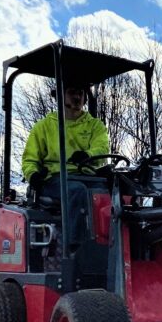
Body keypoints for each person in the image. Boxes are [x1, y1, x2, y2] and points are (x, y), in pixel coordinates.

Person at [21, 86, 110, 243]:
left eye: (80, 92)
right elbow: (30, 159)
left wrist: (88, 155)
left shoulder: (95, 125)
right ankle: (75, 249)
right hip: (55, 179)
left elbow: (101, 148)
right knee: (77, 191)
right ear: (60, 96)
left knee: (112, 192)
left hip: (87, 176)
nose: (77, 96)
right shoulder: (44, 126)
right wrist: (33, 175)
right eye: (72, 91)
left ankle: (113, 248)